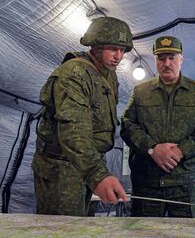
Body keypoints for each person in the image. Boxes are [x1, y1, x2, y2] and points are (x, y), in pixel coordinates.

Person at [32, 17, 132, 216]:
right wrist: (97, 174)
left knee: (83, 224)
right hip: (62, 169)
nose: (118, 56)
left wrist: (95, 170)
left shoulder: (108, 74)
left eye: (122, 50)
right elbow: (74, 129)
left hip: (86, 163)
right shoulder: (73, 74)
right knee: (63, 229)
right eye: (113, 48)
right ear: (95, 46)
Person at [121, 35, 195, 218]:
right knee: (143, 233)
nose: (167, 63)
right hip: (147, 182)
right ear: (155, 61)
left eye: (172, 58)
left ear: (181, 59)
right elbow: (127, 125)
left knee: (187, 233)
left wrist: (180, 151)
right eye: (161, 58)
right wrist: (152, 149)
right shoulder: (141, 92)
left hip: (185, 184)